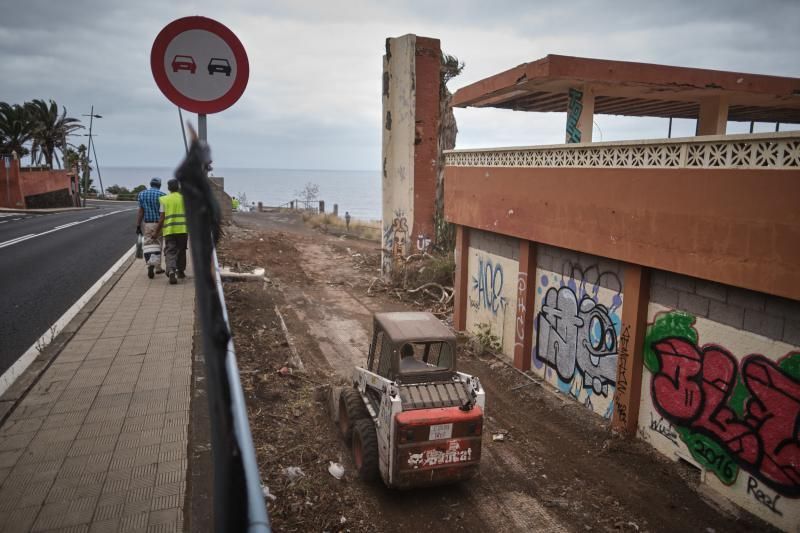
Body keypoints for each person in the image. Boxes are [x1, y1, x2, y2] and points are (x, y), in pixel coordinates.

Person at [155, 178, 188, 285]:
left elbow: (162, 218)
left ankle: (171, 270)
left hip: (169, 231)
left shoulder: (164, 199)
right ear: (178, 187)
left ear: (168, 188)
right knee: (182, 251)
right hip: (183, 230)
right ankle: (181, 272)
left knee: (170, 251)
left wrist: (156, 232)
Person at [136, 177, 166, 279]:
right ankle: (158, 267)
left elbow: (141, 211)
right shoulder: (162, 195)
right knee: (158, 244)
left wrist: (138, 225)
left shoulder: (142, 194)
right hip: (159, 224)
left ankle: (150, 265)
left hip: (147, 224)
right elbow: (164, 214)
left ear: (150, 184)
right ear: (159, 185)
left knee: (148, 244)